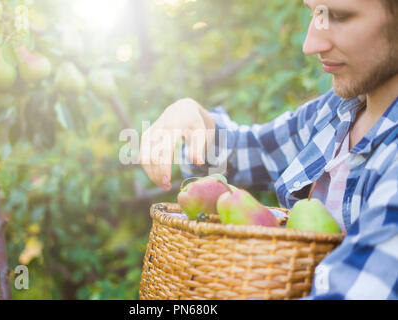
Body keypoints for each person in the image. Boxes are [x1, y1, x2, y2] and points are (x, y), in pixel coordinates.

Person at [139, 0, 397, 299]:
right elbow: (250, 151)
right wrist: (190, 115)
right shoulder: (335, 112)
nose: (310, 43)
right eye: (314, 13)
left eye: (338, 15)